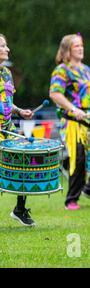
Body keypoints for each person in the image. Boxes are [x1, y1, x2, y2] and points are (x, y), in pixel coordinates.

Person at [49, 34, 90, 210]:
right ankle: (72, 199)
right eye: (76, 46)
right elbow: (55, 94)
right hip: (73, 123)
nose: (80, 48)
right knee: (78, 159)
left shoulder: (86, 69)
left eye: (81, 45)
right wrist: (72, 109)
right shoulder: (62, 70)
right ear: (67, 50)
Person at [0, 34, 35, 226]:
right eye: (3, 46)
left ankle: (20, 209)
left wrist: (20, 111)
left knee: (23, 162)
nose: (7, 49)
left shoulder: (6, 73)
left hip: (8, 128)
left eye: (6, 45)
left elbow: (7, 102)